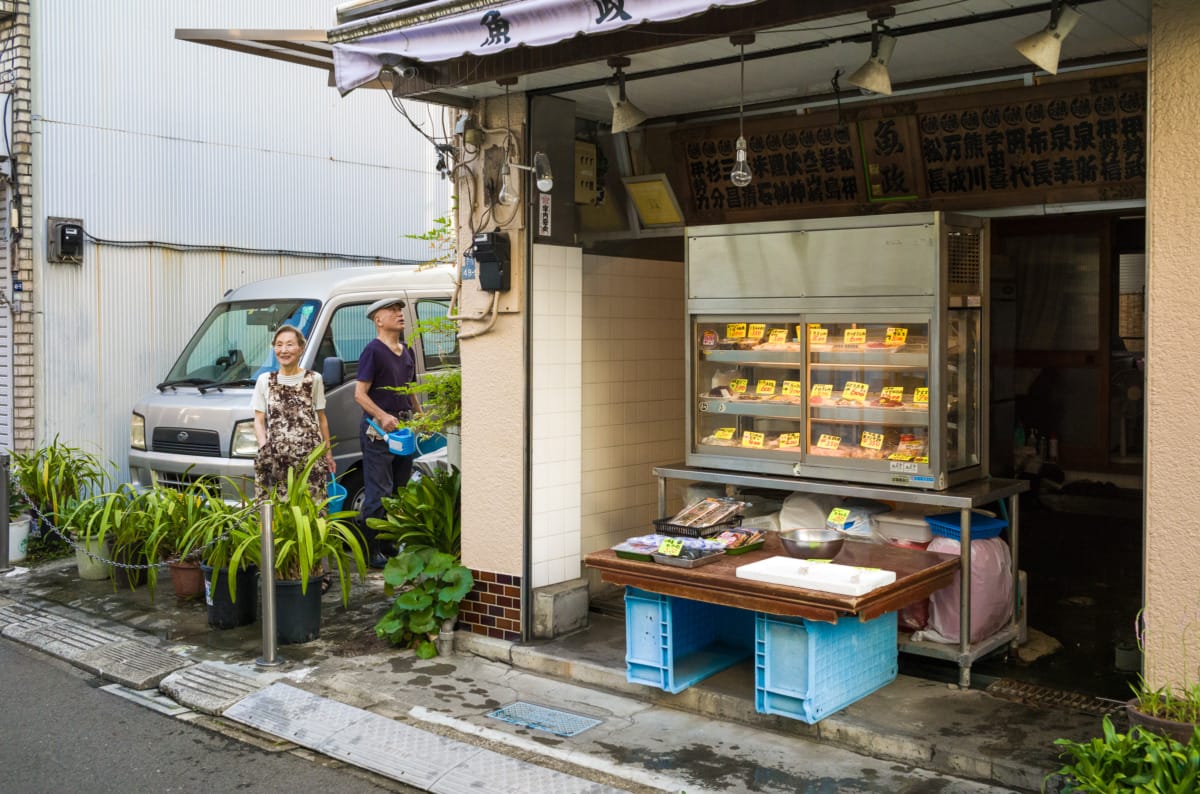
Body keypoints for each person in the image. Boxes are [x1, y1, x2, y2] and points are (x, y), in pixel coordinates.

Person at [355, 297, 421, 568]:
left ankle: (388, 544)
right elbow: (359, 394)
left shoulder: (407, 351)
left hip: (403, 432)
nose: (399, 313)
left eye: (400, 310)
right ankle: (370, 550)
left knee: (398, 490)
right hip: (377, 433)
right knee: (379, 491)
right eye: (392, 310)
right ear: (377, 320)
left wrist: (421, 415)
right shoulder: (373, 351)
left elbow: (410, 388)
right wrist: (381, 416)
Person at [252, 324, 335, 503]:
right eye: (279, 345)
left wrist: (327, 453)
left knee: (311, 509)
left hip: (309, 460)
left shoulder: (314, 379)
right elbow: (259, 420)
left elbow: (321, 419)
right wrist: (264, 448)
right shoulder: (264, 380)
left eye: (290, 344)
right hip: (275, 460)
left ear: (301, 349)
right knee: (274, 513)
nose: (284, 350)